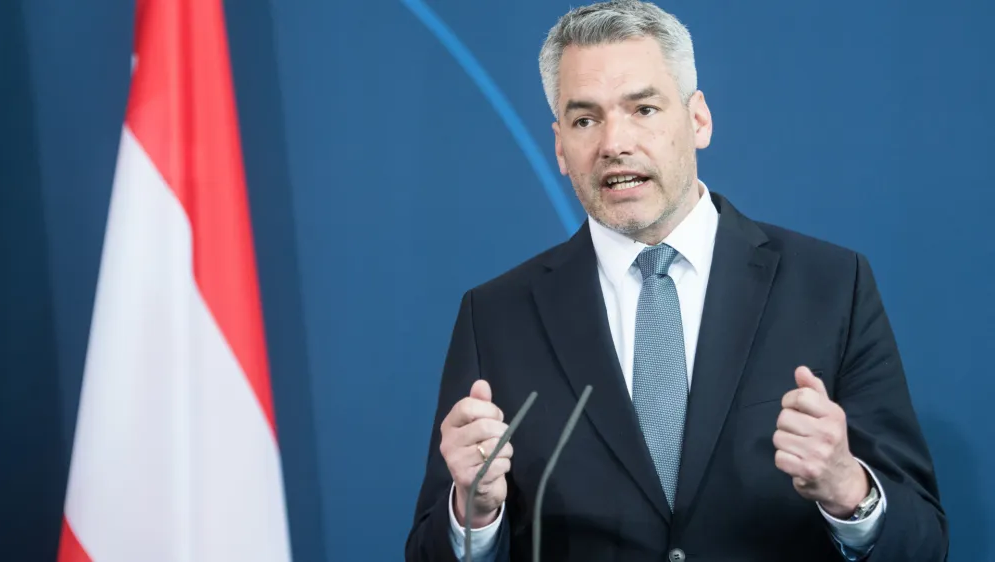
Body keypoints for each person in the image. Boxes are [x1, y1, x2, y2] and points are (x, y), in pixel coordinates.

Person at [405, 1, 948, 560]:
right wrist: (473, 512)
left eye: (642, 108)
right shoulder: (496, 316)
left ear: (699, 120)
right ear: (560, 147)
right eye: (585, 119)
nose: (614, 143)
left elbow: (925, 542)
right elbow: (427, 550)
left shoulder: (831, 286)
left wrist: (848, 491)